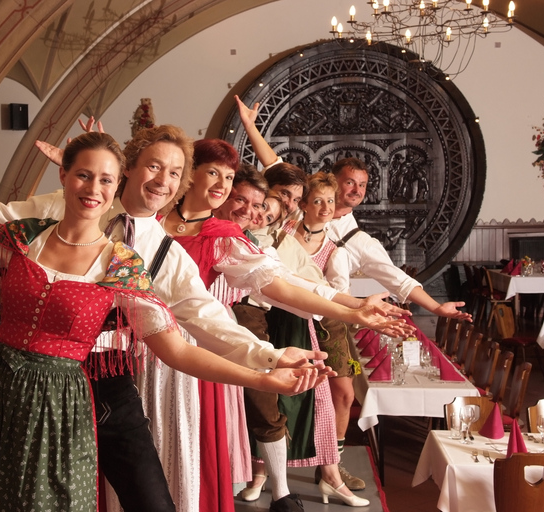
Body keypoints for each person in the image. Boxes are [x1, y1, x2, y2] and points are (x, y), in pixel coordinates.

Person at [0, 132, 320, 512]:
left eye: (104, 179)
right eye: (83, 175)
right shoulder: (21, 236)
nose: (93, 188)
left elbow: (181, 348)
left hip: (65, 402)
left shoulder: (124, 264)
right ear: (64, 176)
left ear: (116, 182)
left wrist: (263, 373)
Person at [235, 95, 473, 491]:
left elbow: (395, 277)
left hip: (334, 315)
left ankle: (330, 467)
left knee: (341, 394)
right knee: (276, 390)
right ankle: (265, 469)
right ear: (327, 185)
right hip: (286, 309)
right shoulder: (296, 216)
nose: (354, 192)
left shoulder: (356, 238)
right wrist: (250, 126)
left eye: (362, 186)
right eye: (348, 183)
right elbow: (276, 167)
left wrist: (435, 306)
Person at [163, 141, 411, 512]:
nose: (248, 210)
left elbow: (289, 286)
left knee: (197, 440)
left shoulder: (229, 238)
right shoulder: (153, 220)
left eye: (229, 179)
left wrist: (354, 309)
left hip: (202, 339)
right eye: (217, 176)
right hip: (149, 342)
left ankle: (280, 489)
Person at [216, 171, 370, 509]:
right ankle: (260, 476)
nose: (325, 207)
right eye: (318, 200)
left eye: (329, 201)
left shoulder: (331, 245)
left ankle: (327, 471)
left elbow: (305, 285)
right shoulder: (274, 233)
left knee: (334, 393)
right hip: (278, 317)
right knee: (262, 398)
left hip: (321, 323)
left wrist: (355, 308)